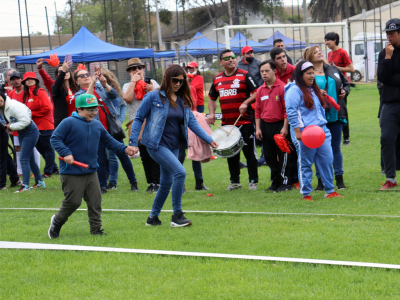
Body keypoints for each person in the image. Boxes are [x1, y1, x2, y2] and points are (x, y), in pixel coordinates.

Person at [129, 64, 218, 227]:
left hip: (175, 146)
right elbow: (138, 118)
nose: (178, 84)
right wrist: (133, 143)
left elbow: (192, 122)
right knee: (180, 173)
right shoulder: (153, 97)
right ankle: (177, 215)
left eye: (181, 81)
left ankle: (152, 218)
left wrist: (208, 138)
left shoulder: (183, 100)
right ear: (166, 79)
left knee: (166, 183)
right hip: (156, 145)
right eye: (175, 80)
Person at [48, 94, 137, 239]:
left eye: (95, 109)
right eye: (89, 109)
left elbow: (109, 141)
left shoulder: (97, 124)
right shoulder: (68, 122)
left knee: (95, 201)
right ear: (79, 109)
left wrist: (125, 148)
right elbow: (55, 138)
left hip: (90, 170)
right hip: (71, 171)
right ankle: (56, 222)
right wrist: (66, 153)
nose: (93, 112)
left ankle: (96, 230)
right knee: (73, 202)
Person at [74, 67, 139, 194]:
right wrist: (92, 83)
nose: (86, 76)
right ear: (77, 82)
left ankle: (133, 182)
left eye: (87, 74)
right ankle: (102, 186)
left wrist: (104, 84)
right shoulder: (79, 95)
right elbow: (87, 100)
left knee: (123, 155)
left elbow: (114, 96)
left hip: (111, 128)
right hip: (95, 129)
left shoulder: (99, 87)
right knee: (101, 159)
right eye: (82, 76)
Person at [285, 61, 343, 201]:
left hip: (322, 131)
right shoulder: (294, 90)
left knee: (327, 160)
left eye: (313, 73)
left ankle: (330, 191)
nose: (312, 76)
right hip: (306, 133)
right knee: (305, 162)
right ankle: (306, 194)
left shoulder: (314, 89)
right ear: (300, 74)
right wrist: (298, 131)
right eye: (309, 73)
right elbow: (292, 111)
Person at [208, 49, 259, 190]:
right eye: (227, 58)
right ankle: (234, 182)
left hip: (245, 122)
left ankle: (253, 181)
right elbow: (212, 99)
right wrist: (211, 114)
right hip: (227, 125)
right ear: (221, 62)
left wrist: (246, 102)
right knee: (231, 153)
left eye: (232, 57)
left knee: (250, 153)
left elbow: (257, 92)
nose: (231, 60)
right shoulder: (217, 79)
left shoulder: (245, 75)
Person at [304, 46, 350, 190]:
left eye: (319, 51)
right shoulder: (307, 73)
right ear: (309, 56)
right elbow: (303, 91)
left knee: (335, 147)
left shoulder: (333, 69)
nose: (319, 53)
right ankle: (321, 181)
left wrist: (344, 91)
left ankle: (339, 179)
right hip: (317, 117)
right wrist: (316, 93)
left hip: (335, 115)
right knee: (318, 149)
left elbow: (346, 84)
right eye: (315, 51)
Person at [123, 58, 160, 192]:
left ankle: (157, 183)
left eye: (139, 67)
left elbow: (162, 98)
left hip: (153, 121)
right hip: (137, 124)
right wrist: (134, 82)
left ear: (143, 69)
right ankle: (151, 183)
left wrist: (151, 89)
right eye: (133, 69)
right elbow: (127, 98)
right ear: (129, 72)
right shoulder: (127, 85)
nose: (137, 70)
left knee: (154, 153)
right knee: (144, 154)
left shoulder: (152, 83)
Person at [255, 59, 291, 193]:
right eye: (261, 72)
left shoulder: (282, 87)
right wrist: (258, 128)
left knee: (283, 155)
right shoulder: (260, 90)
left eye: (266, 71)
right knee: (269, 157)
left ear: (274, 71)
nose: (264, 74)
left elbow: (286, 109)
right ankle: (275, 182)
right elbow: (257, 110)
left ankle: (285, 182)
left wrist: (285, 127)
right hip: (265, 126)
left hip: (280, 126)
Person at [0, 92, 45, 193]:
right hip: (22, 132)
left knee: (23, 158)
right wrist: (11, 126)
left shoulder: (13, 106)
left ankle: (25, 185)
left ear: (2, 97)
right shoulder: (3, 107)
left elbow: (26, 121)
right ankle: (40, 182)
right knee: (30, 158)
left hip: (30, 131)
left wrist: (10, 127)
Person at [270, 47, 299, 189]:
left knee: (293, 148)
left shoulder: (294, 70)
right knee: (280, 151)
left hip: (294, 115)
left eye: (284, 56)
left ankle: (295, 179)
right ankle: (281, 179)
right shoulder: (271, 73)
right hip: (278, 116)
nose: (283, 60)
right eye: (279, 58)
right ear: (273, 61)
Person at [377, 18, 400, 190]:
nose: (388, 36)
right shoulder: (384, 53)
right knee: (386, 138)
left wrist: (391, 80)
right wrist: (388, 57)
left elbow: (389, 79)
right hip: (389, 103)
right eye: (387, 33)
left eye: (391, 33)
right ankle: (390, 178)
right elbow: (382, 78)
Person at [21, 72, 56, 179]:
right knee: (40, 148)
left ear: (36, 80)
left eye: (31, 79)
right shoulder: (26, 94)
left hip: (45, 124)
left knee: (47, 148)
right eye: (27, 79)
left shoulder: (40, 91)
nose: (29, 81)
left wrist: (32, 114)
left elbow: (47, 108)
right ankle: (54, 168)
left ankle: (48, 172)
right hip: (34, 125)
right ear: (25, 82)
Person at [101, 68, 130, 190]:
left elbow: (123, 105)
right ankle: (110, 179)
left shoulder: (113, 91)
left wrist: (120, 120)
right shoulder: (97, 90)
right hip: (104, 127)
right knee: (108, 155)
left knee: (116, 155)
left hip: (113, 128)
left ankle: (114, 182)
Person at [8, 71, 41, 177]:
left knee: (32, 147)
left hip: (27, 123)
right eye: (13, 79)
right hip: (16, 124)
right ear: (11, 81)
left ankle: (36, 170)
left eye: (17, 78)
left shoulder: (27, 92)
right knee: (17, 147)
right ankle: (20, 171)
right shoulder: (11, 93)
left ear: (21, 80)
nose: (16, 81)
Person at [325, 32, 354, 146]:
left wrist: (336, 67)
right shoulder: (329, 54)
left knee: (343, 112)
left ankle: (346, 138)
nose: (326, 42)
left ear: (335, 40)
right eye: (326, 40)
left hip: (341, 86)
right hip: (331, 86)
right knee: (331, 110)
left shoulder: (342, 52)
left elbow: (351, 69)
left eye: (328, 40)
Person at [51, 57, 80, 127]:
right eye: (60, 72)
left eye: (67, 71)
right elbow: (56, 85)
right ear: (57, 75)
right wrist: (63, 71)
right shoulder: (56, 88)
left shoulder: (76, 87)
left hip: (78, 121)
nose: (65, 73)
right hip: (64, 124)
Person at [0, 113, 20, 190]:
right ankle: (15, 179)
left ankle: (2, 185)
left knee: (2, 159)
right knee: (5, 157)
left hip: (1, 134)